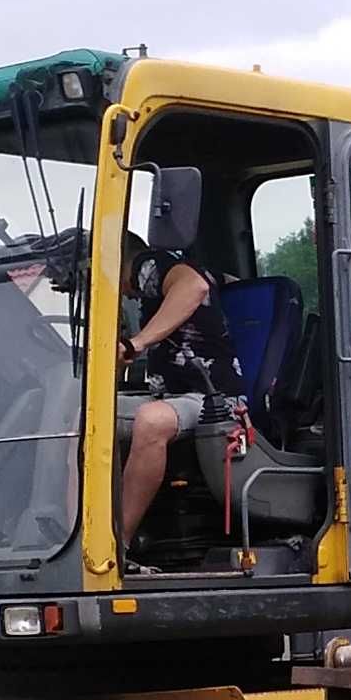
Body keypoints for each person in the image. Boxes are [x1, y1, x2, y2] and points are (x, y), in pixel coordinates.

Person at [111, 228, 238, 545]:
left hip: (212, 397)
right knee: (82, 412)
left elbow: (194, 285)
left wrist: (136, 343)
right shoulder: (161, 279)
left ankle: (114, 544)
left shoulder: (144, 265)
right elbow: (225, 281)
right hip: (169, 395)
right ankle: (78, 526)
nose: (125, 295)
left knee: (152, 421)